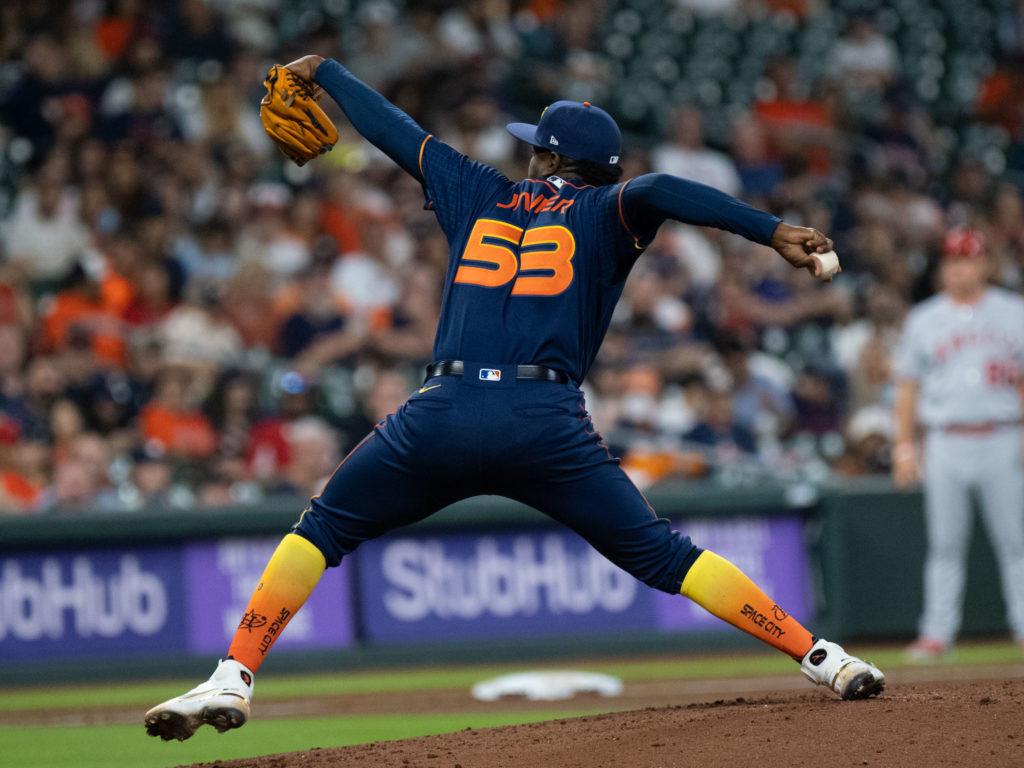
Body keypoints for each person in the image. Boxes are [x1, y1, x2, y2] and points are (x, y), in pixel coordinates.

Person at [144, 54, 884, 742]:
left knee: (320, 531)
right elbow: (660, 190)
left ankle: (233, 676)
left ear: (551, 158)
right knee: (666, 554)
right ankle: (824, 658)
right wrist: (771, 229)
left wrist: (327, 70)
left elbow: (394, 130)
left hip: (444, 410)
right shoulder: (608, 211)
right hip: (545, 423)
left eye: (537, 144)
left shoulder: (477, 189)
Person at [892, 228, 1024, 661]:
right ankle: (936, 634)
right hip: (945, 440)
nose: (957, 267)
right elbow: (907, 387)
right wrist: (904, 447)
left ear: (984, 264)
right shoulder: (924, 318)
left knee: (1016, 543)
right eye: (950, 260)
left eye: (965, 259)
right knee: (945, 544)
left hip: (1004, 435)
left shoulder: (1013, 311)